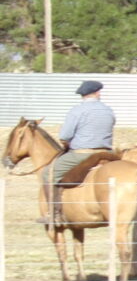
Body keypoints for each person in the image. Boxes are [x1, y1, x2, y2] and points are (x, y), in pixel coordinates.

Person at [38, 80, 117, 224]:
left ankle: (54, 214)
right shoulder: (108, 110)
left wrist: (67, 144)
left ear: (83, 95)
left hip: (82, 154)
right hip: (107, 154)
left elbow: (65, 136)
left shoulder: (77, 111)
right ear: (98, 93)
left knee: (48, 173)